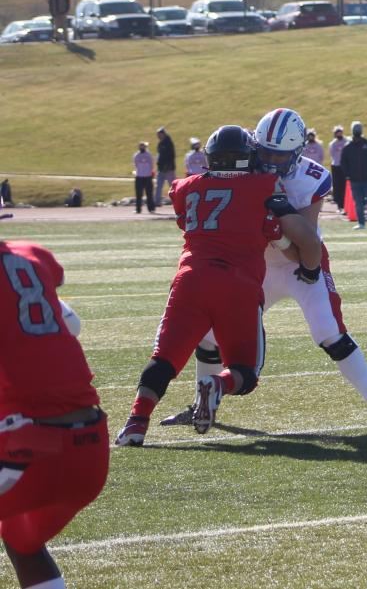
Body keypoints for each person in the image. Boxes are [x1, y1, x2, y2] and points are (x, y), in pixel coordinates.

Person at [159, 109, 367, 430]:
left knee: (330, 333)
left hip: (300, 264)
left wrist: (284, 237)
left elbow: (305, 240)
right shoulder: (242, 165)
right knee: (207, 337)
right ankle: (201, 405)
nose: (272, 162)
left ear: (299, 151)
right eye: (266, 153)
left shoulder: (311, 177)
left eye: (280, 155)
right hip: (254, 266)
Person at [115, 125, 322, 446]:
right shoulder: (264, 185)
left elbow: (191, 219)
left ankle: (135, 424)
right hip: (237, 285)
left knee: (164, 359)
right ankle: (218, 384)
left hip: (190, 280)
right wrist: (307, 267)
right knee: (245, 371)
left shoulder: (185, 187)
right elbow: (306, 239)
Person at [0, 240, 109, 589]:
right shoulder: (31, 255)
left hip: (25, 447)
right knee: (22, 539)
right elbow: (68, 321)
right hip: (91, 448)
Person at [341, 122, 367, 230]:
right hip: (355, 180)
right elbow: (343, 163)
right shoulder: (348, 147)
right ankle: (361, 223)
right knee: (358, 203)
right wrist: (348, 175)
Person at [154, 127, 177, 209]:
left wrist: (168, 166)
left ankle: (177, 201)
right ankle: (157, 202)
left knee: (173, 186)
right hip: (161, 169)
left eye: (159, 134)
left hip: (169, 169)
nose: (158, 136)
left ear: (163, 134)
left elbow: (171, 156)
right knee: (158, 186)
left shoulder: (168, 143)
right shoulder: (160, 143)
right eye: (157, 135)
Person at [328, 126, 348, 214]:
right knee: (337, 186)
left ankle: (346, 205)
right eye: (337, 132)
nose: (339, 134)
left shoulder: (347, 142)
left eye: (340, 132)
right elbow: (332, 154)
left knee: (345, 186)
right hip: (336, 166)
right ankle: (339, 206)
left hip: (344, 166)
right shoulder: (333, 144)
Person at [132, 143, 155, 214]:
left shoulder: (148, 155)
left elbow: (151, 164)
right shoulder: (136, 155)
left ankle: (151, 208)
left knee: (149, 194)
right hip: (140, 176)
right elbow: (135, 165)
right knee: (139, 194)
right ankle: (138, 209)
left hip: (147, 176)